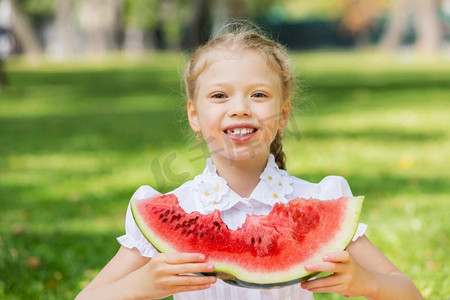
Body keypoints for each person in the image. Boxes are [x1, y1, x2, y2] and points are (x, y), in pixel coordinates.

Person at [76, 21, 423, 300]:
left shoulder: (320, 200)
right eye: (219, 96)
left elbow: (407, 291)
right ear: (194, 116)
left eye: (258, 95)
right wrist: (139, 287)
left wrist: (366, 282)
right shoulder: (175, 205)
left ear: (283, 114)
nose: (240, 107)